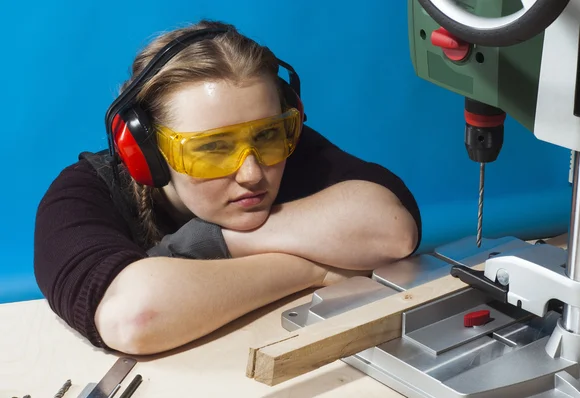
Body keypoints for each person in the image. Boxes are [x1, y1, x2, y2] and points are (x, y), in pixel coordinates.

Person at [33, 20, 421, 355]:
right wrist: (313, 271)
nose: (252, 172)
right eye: (213, 148)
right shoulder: (77, 198)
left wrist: (218, 242)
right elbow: (136, 317)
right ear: (145, 152)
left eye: (269, 134)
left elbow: (393, 229)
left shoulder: (284, 147)